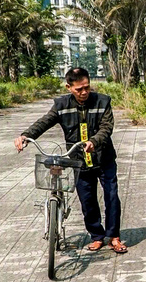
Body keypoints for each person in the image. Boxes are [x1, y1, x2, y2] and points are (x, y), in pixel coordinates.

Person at [14, 67, 127, 254]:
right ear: (69, 87)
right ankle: (97, 236)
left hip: (103, 158)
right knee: (87, 200)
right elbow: (44, 122)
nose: (84, 92)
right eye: (79, 89)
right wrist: (25, 136)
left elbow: (106, 128)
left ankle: (114, 236)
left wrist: (94, 141)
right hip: (78, 161)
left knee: (112, 197)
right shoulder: (61, 105)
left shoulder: (103, 101)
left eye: (87, 88)